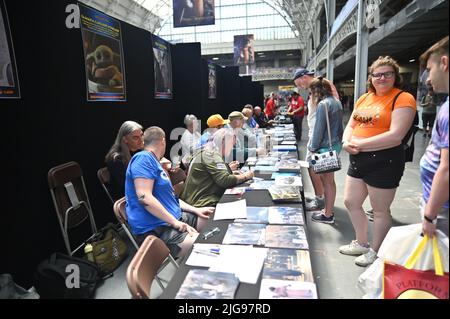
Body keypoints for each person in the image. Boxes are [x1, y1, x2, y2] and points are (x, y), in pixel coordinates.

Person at [338, 56, 416, 267]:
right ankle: (362, 243)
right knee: (351, 202)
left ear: (395, 76)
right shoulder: (364, 99)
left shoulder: (403, 98)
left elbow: (396, 135)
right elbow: (351, 125)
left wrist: (360, 144)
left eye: (386, 74)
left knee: (380, 210)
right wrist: (346, 141)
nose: (381, 78)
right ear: (370, 77)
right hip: (358, 158)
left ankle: (376, 250)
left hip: (385, 160)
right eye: (377, 74)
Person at [125, 126, 215, 258]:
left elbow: (171, 198)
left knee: (214, 220)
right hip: (156, 228)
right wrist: (174, 222)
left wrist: (195, 209)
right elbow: (144, 197)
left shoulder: (155, 162)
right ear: (163, 141)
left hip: (174, 217)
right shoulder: (143, 158)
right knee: (208, 250)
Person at [293, 68, 339, 211]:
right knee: (323, 175)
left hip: (320, 140)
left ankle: (322, 203)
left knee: (323, 175)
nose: (300, 87)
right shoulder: (318, 92)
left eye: (299, 83)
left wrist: (315, 144)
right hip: (320, 138)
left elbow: (327, 116)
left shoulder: (324, 92)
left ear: (304, 77)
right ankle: (322, 200)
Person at [419, 36, 449, 238]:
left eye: (429, 70)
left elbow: (447, 168)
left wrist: (430, 215)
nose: (427, 79)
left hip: (442, 210)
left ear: (444, 63)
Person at [180, 129, 254, 207]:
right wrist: (246, 175)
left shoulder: (209, 150)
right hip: (201, 204)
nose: (232, 148)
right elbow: (225, 180)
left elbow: (216, 175)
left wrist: (230, 171)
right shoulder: (211, 154)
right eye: (232, 144)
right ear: (223, 141)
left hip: (199, 200)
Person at [307, 78, 344, 224]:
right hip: (334, 145)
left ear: (316, 91)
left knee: (327, 182)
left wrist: (312, 148)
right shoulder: (336, 102)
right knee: (330, 182)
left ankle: (328, 214)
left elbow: (319, 129)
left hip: (323, 147)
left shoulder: (323, 104)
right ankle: (328, 211)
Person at [105, 121, 144, 201]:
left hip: (140, 195)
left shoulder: (138, 151)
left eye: (141, 135)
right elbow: (129, 186)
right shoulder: (116, 159)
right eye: (135, 138)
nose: (141, 140)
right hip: (127, 201)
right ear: (125, 139)